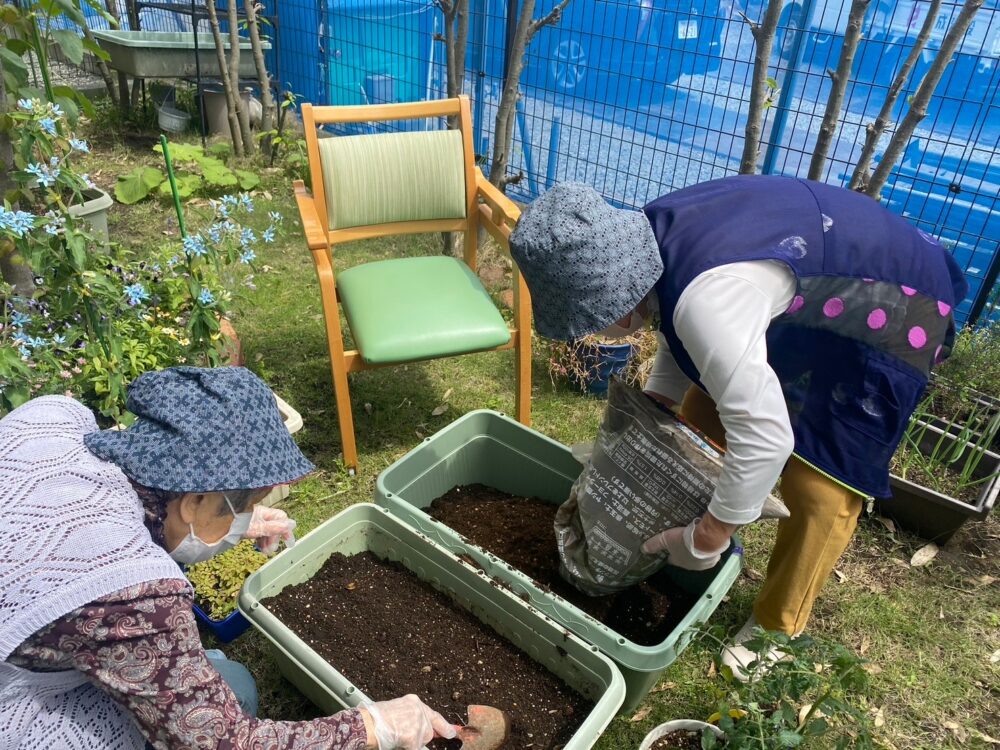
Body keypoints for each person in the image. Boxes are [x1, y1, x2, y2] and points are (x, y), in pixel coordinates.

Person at [509, 175, 968, 679]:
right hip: (806, 281)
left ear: (616, 296)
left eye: (588, 319)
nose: (591, 330)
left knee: (820, 489)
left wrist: (706, 537)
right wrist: (652, 414)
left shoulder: (709, 298)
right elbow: (679, 331)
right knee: (701, 417)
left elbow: (768, 437)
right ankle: (723, 537)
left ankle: (776, 627)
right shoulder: (650, 244)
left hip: (892, 300)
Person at [0, 366, 457, 750]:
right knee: (234, 690)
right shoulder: (133, 599)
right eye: (240, 506)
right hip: (16, 690)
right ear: (193, 501)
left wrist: (239, 520)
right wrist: (375, 727)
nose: (245, 518)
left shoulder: (51, 418)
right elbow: (221, 741)